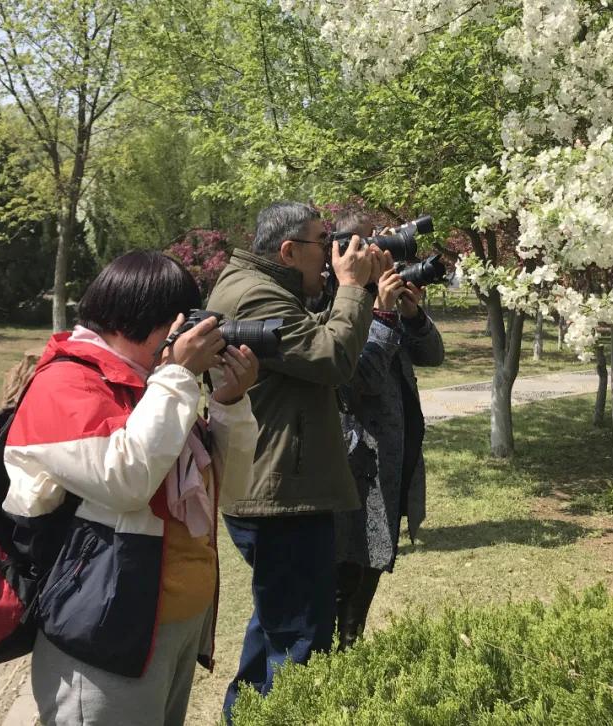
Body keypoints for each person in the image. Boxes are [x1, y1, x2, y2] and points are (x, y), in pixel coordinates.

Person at [2, 250, 260, 726]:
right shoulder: (64, 382)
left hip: (173, 625)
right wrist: (177, 376)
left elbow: (236, 488)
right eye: (183, 321)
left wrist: (230, 402)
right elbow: (127, 481)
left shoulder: (153, 385)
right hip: (105, 638)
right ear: (148, 318)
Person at [205, 201, 387, 720]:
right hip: (283, 496)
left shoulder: (259, 285)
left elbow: (317, 344)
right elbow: (334, 359)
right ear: (287, 250)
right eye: (319, 244)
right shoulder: (256, 296)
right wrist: (353, 289)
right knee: (299, 647)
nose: (329, 258)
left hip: (279, 487)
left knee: (275, 631)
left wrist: (358, 290)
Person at [330, 212, 445, 649]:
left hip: (393, 465)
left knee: (372, 568)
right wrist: (379, 313)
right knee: (344, 574)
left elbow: (433, 356)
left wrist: (411, 316)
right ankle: (330, 666)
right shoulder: (334, 307)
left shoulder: (382, 308)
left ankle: (350, 649)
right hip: (356, 468)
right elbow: (357, 384)